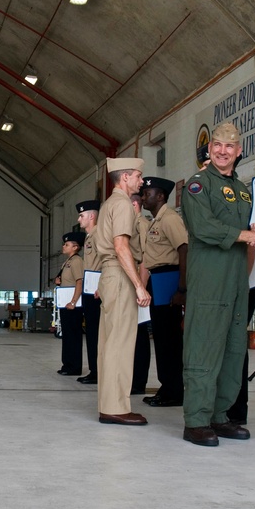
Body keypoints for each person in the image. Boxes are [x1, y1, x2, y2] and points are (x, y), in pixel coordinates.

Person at [180, 123, 255, 447]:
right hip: (209, 280)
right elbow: (204, 227)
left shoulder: (244, 190)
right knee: (204, 348)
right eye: (216, 145)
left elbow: (243, 228)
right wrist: (247, 235)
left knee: (233, 350)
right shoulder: (197, 185)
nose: (222, 150)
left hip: (236, 281)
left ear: (239, 150)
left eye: (229, 146)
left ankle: (219, 416)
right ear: (210, 149)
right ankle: (196, 421)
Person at [92, 158, 151, 425]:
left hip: (110, 274)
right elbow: (121, 247)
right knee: (120, 342)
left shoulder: (109, 204)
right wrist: (139, 285)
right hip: (120, 274)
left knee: (110, 341)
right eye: (139, 176)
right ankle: (115, 407)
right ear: (125, 177)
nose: (142, 181)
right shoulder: (124, 205)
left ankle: (110, 403)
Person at [140, 176, 188, 407]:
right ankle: (167, 386)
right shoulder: (155, 220)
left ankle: (174, 390)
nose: (142, 197)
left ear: (160, 196)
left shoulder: (169, 219)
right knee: (160, 336)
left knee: (169, 338)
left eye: (147, 193)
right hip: (158, 279)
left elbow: (184, 250)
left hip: (169, 278)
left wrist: (181, 288)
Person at [75, 200, 101, 385]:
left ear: (92, 216)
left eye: (82, 215)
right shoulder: (89, 237)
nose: (79, 219)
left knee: (97, 333)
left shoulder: (99, 234)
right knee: (91, 332)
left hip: (97, 290)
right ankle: (94, 369)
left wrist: (102, 285)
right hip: (89, 288)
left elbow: (108, 260)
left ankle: (98, 370)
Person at [55, 232, 86, 376]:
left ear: (75, 247)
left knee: (73, 336)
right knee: (67, 335)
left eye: (66, 244)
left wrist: (73, 301)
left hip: (72, 305)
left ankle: (74, 366)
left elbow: (79, 282)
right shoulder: (67, 261)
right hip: (65, 303)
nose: (64, 246)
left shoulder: (77, 261)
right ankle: (67, 364)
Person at [130, 193, 152, 396]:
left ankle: (138, 382)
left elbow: (146, 256)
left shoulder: (141, 224)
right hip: (132, 283)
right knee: (131, 334)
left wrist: (142, 287)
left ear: (134, 204)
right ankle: (132, 379)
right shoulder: (130, 224)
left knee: (139, 335)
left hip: (140, 284)